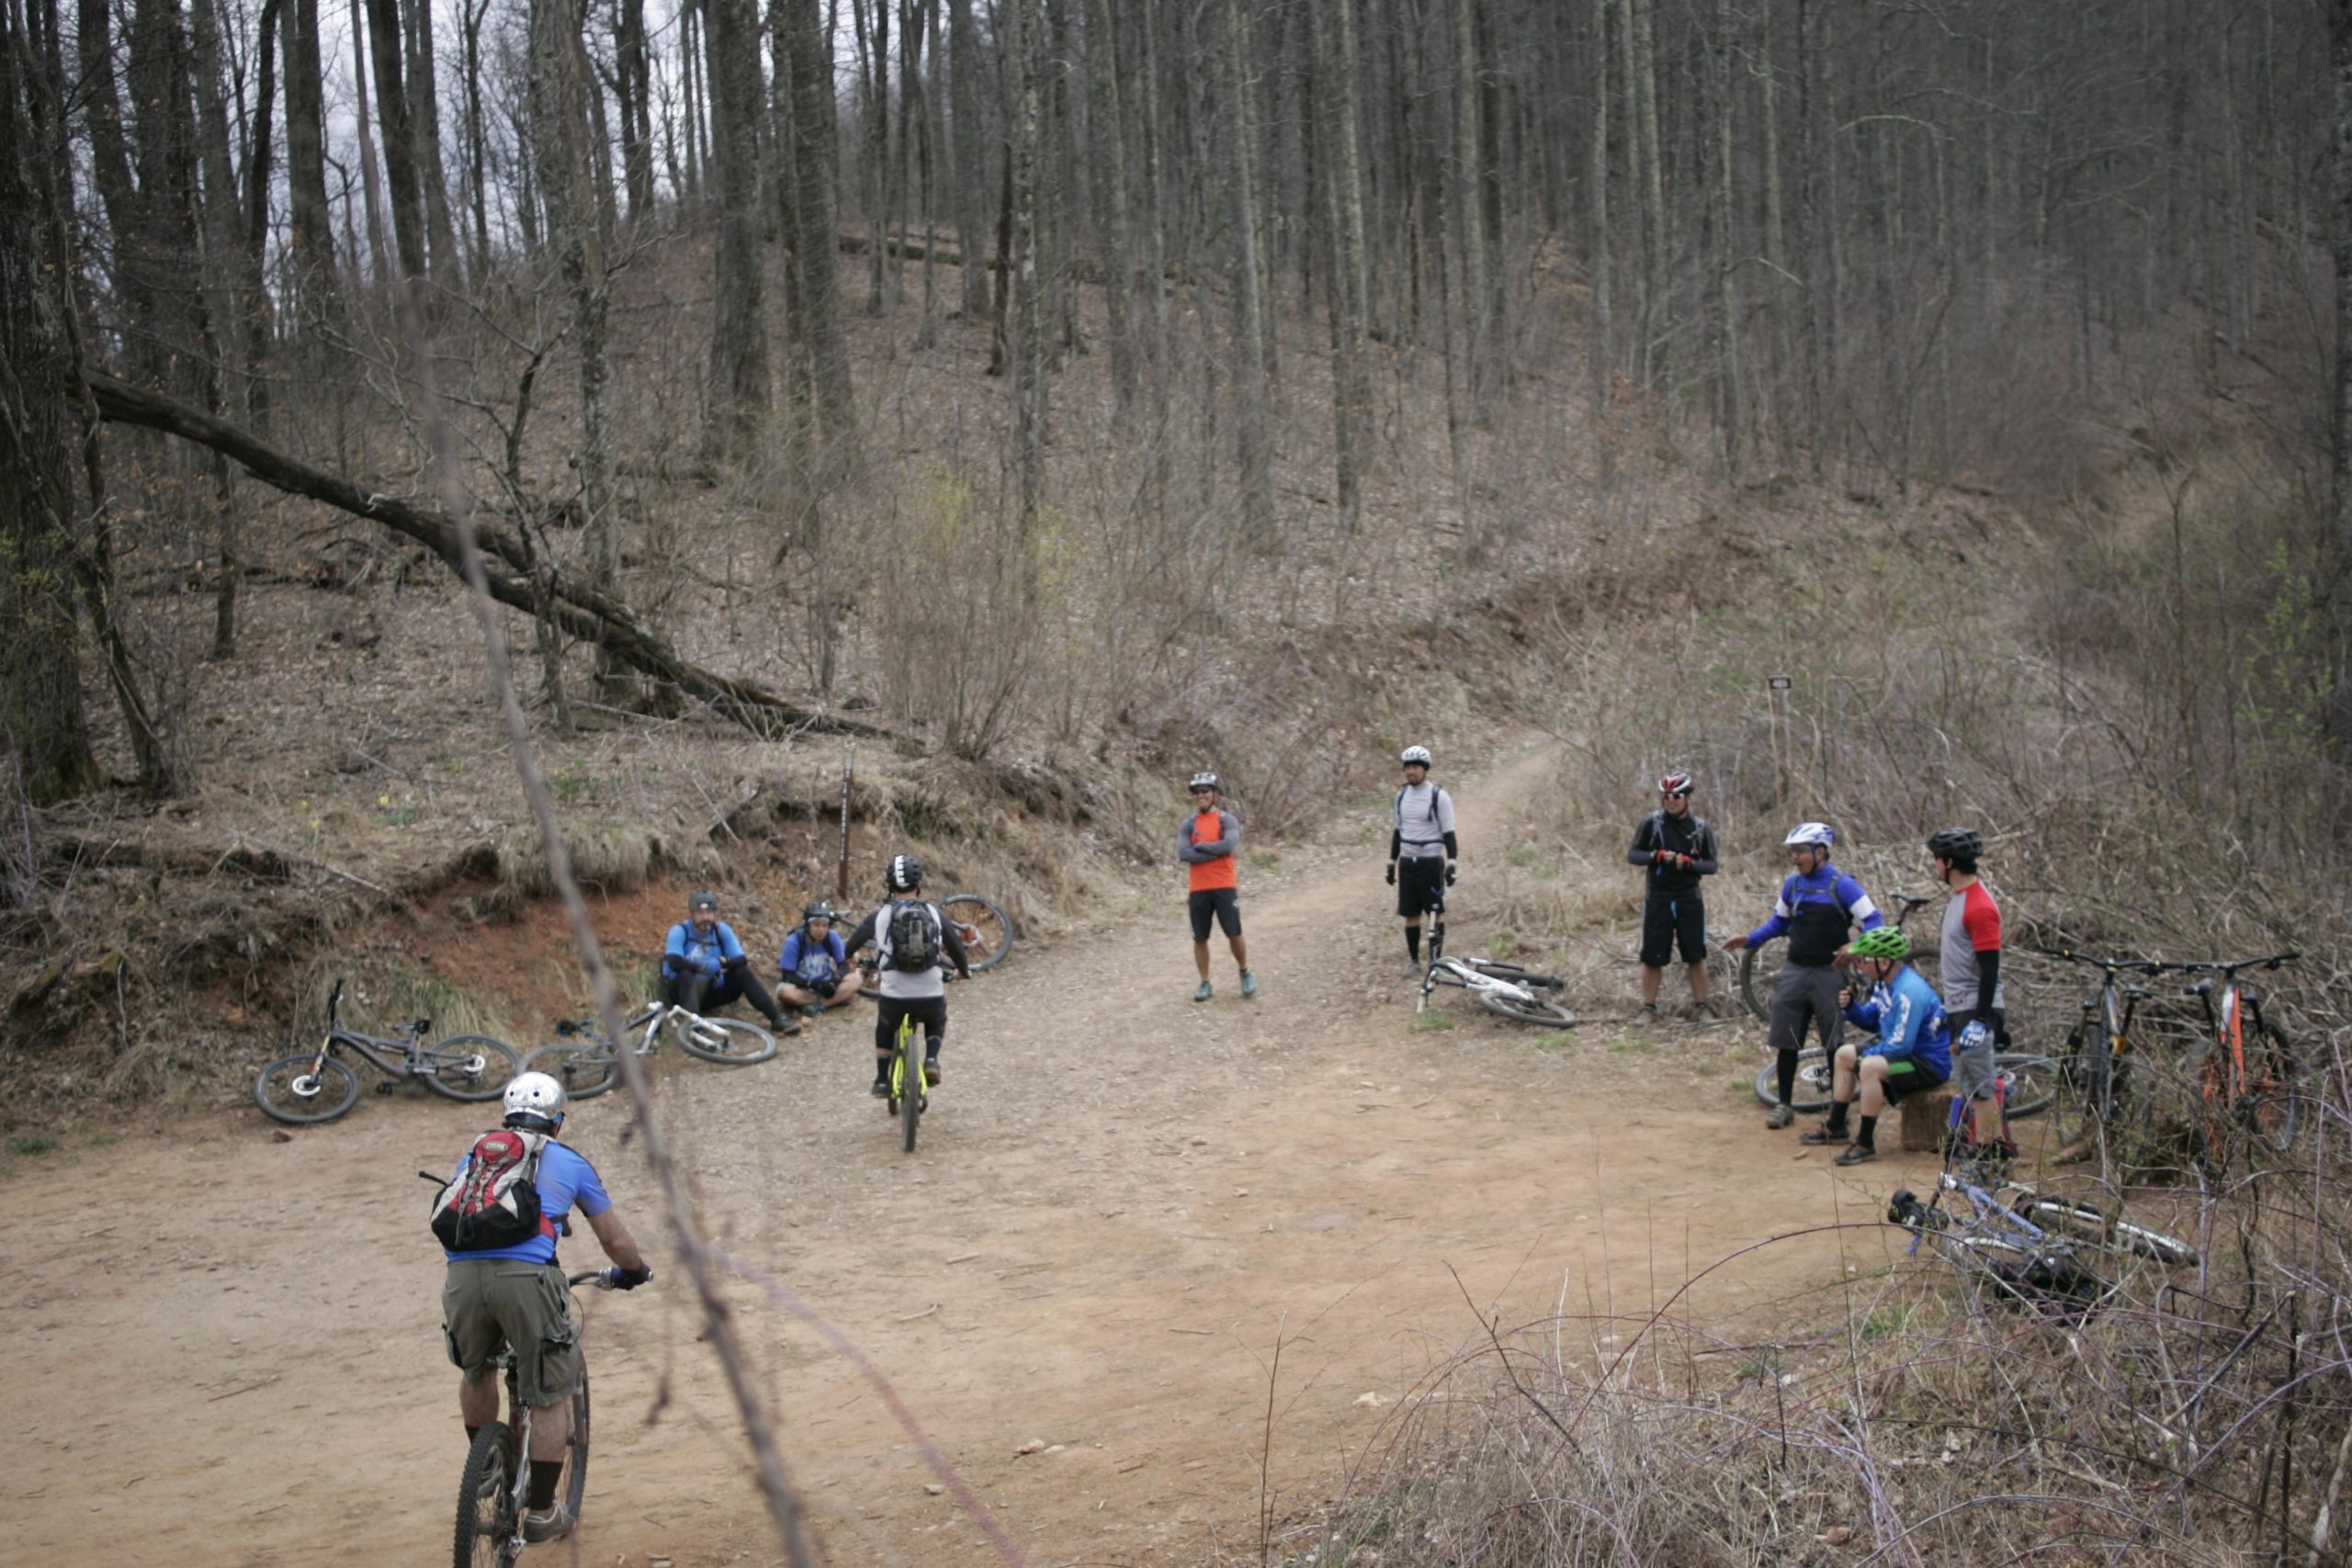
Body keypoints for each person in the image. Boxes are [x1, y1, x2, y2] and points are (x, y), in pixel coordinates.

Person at [441, 1072, 651, 1543]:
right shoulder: (569, 1162)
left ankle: (489, 1468)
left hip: (461, 1278)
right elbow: (615, 1241)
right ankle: (540, 1511)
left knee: (476, 1371)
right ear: (557, 1122)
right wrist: (635, 1271)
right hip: (528, 1280)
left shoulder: (477, 1152)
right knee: (552, 1390)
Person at [1724, 822, 1883, 1130]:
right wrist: (1751, 939)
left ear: (1821, 851)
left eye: (1801, 851)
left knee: (1834, 1045)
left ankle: (1839, 1112)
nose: (1795, 858)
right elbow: (1779, 923)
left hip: (1829, 972)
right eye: (1793, 852)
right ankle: (1784, 1104)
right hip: (1795, 969)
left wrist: (1857, 944)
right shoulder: (1793, 885)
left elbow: (1874, 920)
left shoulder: (1843, 885)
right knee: (1787, 1041)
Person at [1795, 926, 1952, 1165]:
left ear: (1885, 962)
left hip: (1927, 1064)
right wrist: (1852, 1008)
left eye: (1864, 960)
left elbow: (1901, 1045)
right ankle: (1836, 1126)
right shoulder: (1884, 983)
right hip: (1904, 1053)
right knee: (1843, 1055)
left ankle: (1865, 1143)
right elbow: (1872, 1020)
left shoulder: (1909, 992)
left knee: (1869, 1066)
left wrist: (1867, 1056)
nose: (1860, 966)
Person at [843, 853, 971, 1097]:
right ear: (919, 884)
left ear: (889, 885)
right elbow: (955, 947)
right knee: (936, 1020)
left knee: (885, 1025)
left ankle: (882, 1080)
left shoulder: (879, 915)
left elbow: (848, 948)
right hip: (930, 992)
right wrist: (963, 972)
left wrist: (852, 959)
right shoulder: (934, 913)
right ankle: (931, 1059)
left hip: (894, 995)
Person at [1928, 827, 2012, 1160]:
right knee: (1967, 1082)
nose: (1934, 865)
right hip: (1959, 1005)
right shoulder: (1959, 899)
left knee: (1981, 1086)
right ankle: (1982, 1147)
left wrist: (1981, 1018)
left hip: (1976, 1006)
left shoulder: (1979, 906)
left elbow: (1990, 968)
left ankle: (1991, 1153)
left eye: (1936, 859)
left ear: (1949, 862)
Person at [1626, 770, 1722, 1022]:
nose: (1671, 800)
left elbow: (1712, 865)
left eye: (1677, 795)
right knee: (1652, 956)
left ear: (1688, 798)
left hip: (1689, 899)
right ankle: (1648, 1008)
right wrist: (1656, 857)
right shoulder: (1652, 823)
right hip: (1658, 898)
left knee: (1695, 955)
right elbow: (1633, 855)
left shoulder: (1701, 828)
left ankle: (1701, 1006)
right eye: (1666, 795)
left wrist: (1689, 863)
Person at [662, 890, 799, 1036]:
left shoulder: (721, 931)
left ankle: (776, 1018)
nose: (705, 918)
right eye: (700, 914)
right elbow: (674, 961)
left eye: (709, 913)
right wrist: (701, 968)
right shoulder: (680, 931)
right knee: (685, 974)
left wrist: (722, 962)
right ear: (692, 914)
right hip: (682, 994)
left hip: (710, 991)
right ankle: (695, 1030)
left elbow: (741, 959)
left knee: (742, 971)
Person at [1177, 771, 1256, 1002]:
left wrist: (1200, 847)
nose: (1201, 795)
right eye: (1197, 792)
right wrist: (1214, 850)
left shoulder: (1226, 820)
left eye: (1206, 791)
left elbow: (1229, 844)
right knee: (1199, 937)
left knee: (1234, 932)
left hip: (1224, 885)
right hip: (1198, 888)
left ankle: (1244, 971)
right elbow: (1183, 853)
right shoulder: (1189, 824)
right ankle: (1204, 982)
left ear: (1215, 793)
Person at [1387, 745, 1458, 978]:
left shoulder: (1438, 796)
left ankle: (1436, 961)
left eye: (1415, 767)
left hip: (1430, 861)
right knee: (1410, 914)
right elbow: (1398, 831)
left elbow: (1448, 833)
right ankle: (1415, 961)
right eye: (1407, 767)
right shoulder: (1401, 796)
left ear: (1425, 769)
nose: (1411, 772)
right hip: (1408, 862)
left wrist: (1452, 864)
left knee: (1435, 912)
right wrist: (1391, 862)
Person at [777, 901, 863, 1015]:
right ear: (808, 926)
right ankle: (831, 1001)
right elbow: (787, 975)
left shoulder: (831, 937)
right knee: (784, 992)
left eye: (824, 926)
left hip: (827, 983)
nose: (821, 930)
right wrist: (814, 984)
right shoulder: (794, 941)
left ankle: (820, 1006)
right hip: (804, 987)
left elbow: (844, 965)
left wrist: (835, 980)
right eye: (816, 925)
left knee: (856, 979)